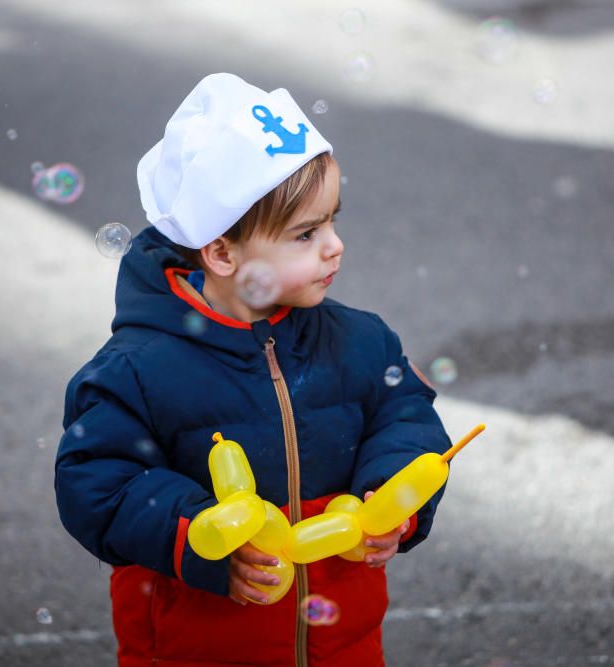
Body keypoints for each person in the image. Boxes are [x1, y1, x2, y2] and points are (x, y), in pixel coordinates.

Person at [55, 72, 451, 667]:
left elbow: (404, 417)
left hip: (341, 645)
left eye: (333, 222)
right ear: (221, 252)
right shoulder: (136, 370)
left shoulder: (360, 340)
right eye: (306, 234)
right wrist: (201, 538)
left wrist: (394, 495)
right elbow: (96, 484)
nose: (335, 246)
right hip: (198, 646)